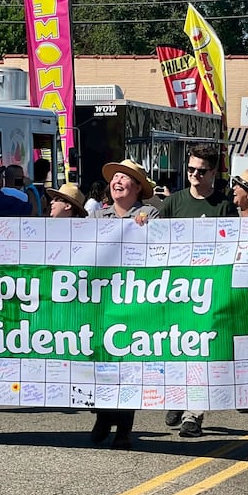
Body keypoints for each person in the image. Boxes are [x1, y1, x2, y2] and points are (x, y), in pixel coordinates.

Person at [160, 144, 238, 438]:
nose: (194, 174)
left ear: (214, 173)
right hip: (175, 290)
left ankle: (194, 414)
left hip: (209, 290)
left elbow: (233, 245)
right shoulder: (174, 203)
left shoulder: (223, 206)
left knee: (201, 351)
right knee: (176, 348)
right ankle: (177, 398)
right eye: (190, 169)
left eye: (201, 171)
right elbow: (155, 240)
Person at [89, 159, 159, 450]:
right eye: (115, 177)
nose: (117, 181)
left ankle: (124, 428)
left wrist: (146, 229)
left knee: (127, 361)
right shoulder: (97, 217)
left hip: (133, 297)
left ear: (138, 187)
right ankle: (104, 417)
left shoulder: (149, 214)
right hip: (102, 297)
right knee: (102, 359)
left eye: (125, 178)